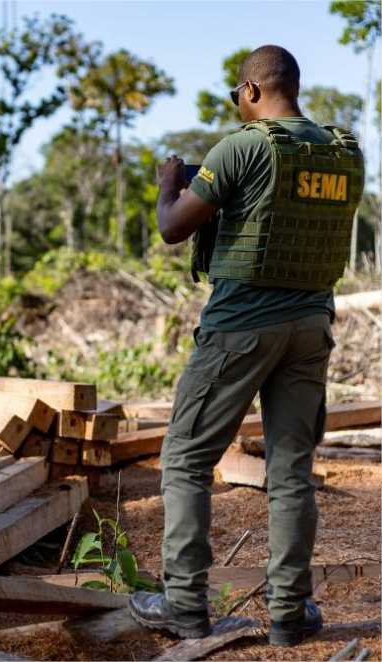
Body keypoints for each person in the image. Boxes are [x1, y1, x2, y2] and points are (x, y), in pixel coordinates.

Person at [127, 45, 363, 646]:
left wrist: (166, 187)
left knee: (184, 459)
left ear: (252, 90)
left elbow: (175, 227)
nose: (240, 105)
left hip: (241, 326)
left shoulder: (243, 146)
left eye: (238, 96)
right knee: (290, 471)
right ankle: (289, 614)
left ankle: (183, 607)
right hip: (311, 326)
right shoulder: (342, 151)